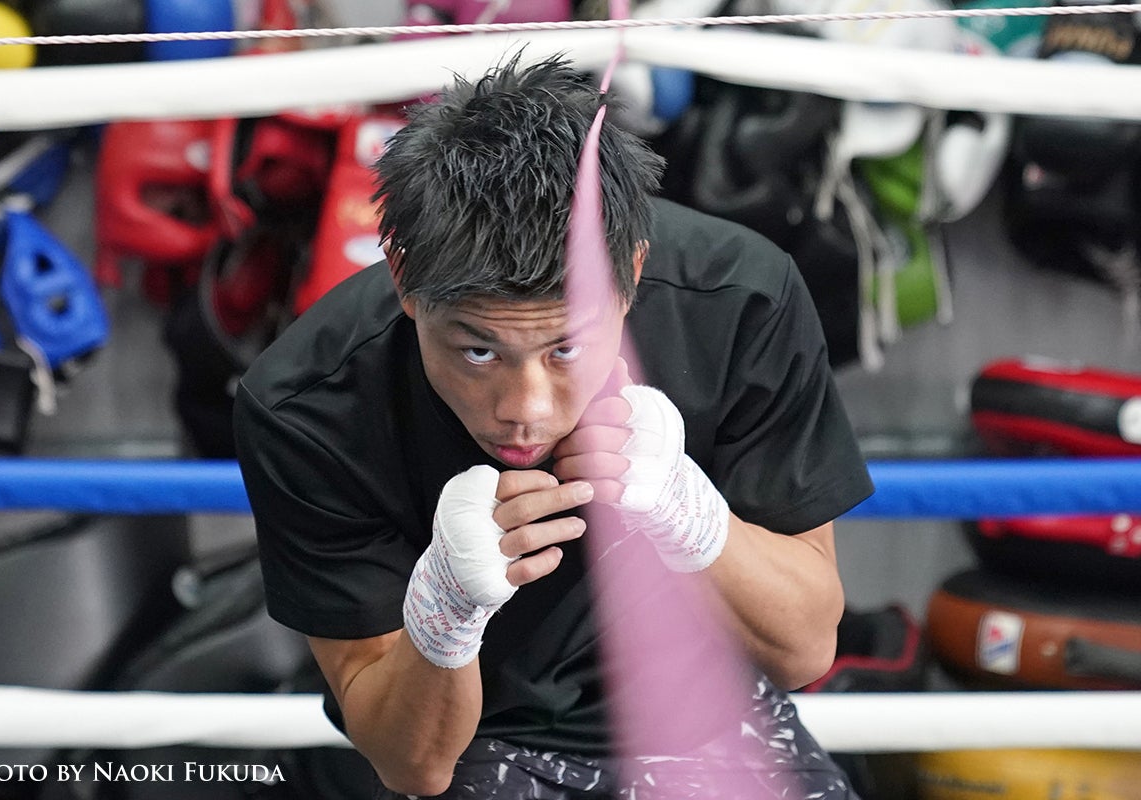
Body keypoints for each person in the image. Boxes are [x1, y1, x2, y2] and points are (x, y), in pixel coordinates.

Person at [234, 51, 875, 799]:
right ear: (405, 279)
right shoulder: (308, 404)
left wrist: (689, 512)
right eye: (479, 351)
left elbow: (805, 650)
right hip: (478, 743)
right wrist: (444, 613)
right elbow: (412, 765)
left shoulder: (740, 300)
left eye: (565, 347)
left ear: (631, 276)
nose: (527, 408)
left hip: (711, 716)